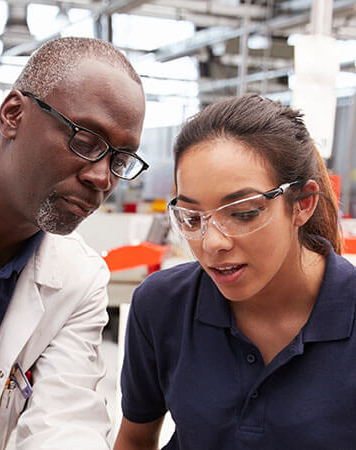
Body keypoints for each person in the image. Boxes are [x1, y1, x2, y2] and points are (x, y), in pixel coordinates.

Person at [0, 36, 147, 450]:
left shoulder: (79, 279)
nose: (102, 178)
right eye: (86, 142)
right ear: (13, 114)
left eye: (120, 160)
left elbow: (67, 424)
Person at [114, 94, 355, 450]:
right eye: (192, 218)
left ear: (302, 203)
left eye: (242, 213)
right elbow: (135, 440)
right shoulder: (163, 305)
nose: (212, 243)